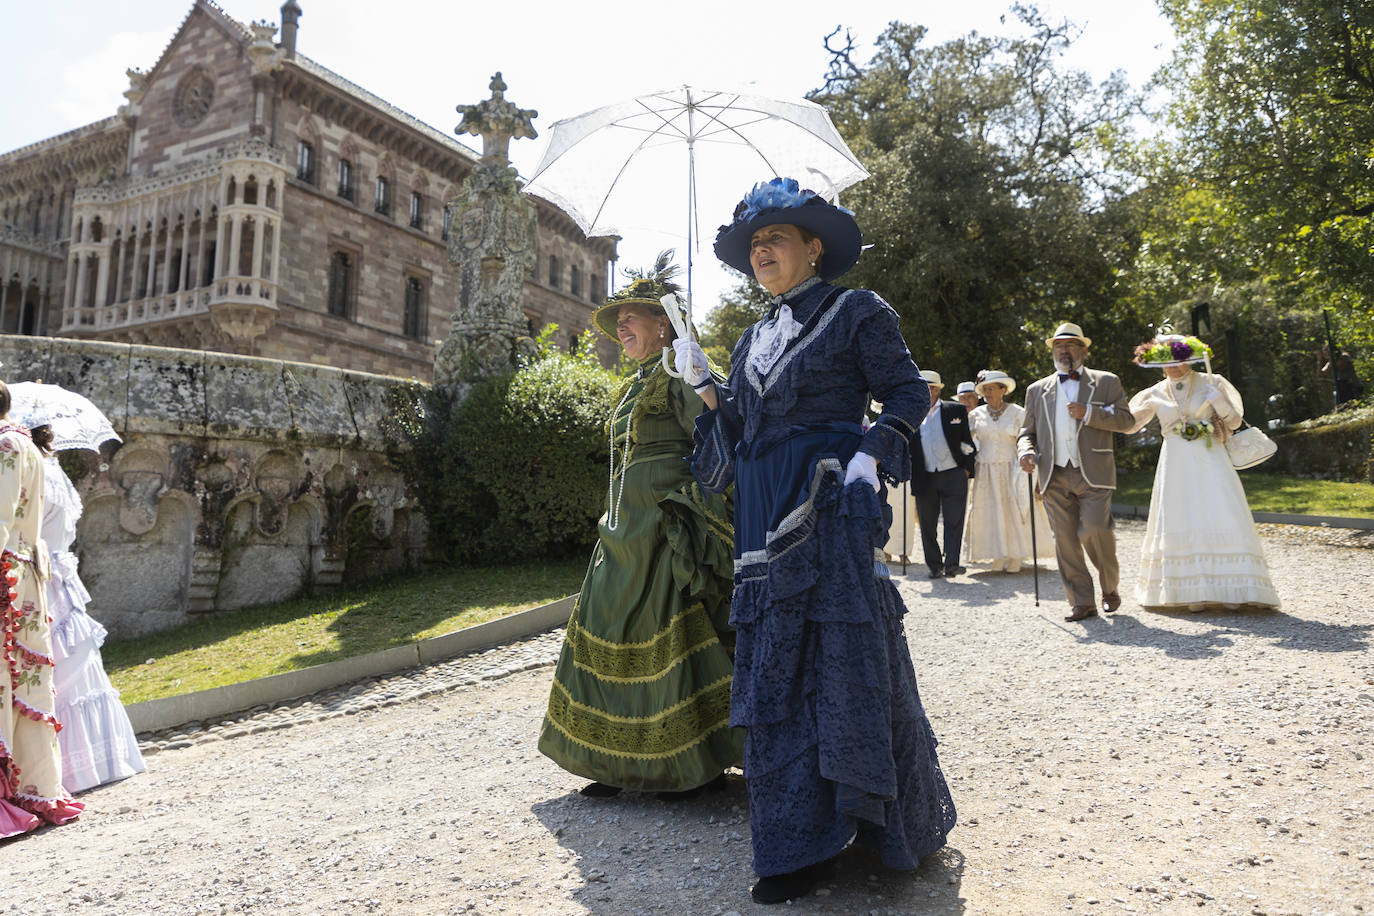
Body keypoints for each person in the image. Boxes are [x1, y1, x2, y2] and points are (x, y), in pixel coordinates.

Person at [675, 177, 956, 904]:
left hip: (827, 499)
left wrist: (869, 456)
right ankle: (799, 844)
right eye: (753, 245)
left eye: (776, 240)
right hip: (762, 515)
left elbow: (904, 392)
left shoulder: (855, 310)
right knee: (778, 668)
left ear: (813, 247)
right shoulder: (750, 339)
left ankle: (874, 825)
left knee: (841, 651)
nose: (762, 252)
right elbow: (734, 446)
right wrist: (709, 390)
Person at [537, 265, 742, 802]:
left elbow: (717, 430)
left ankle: (686, 762)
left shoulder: (681, 368)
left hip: (664, 522)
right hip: (624, 521)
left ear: (664, 324)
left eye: (632, 319)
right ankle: (613, 759)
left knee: (665, 624)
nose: (622, 327)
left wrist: (705, 382)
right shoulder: (637, 378)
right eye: (619, 321)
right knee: (607, 619)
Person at [24, 414, 146, 792]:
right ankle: (103, 757)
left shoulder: (29, 468)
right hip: (60, 568)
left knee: (56, 665)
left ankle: (70, 768)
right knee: (74, 661)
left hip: (42, 571)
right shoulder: (52, 465)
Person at [1126, 334, 1280, 610]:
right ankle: (1191, 591)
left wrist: (1219, 402)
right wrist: (1102, 412)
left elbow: (1233, 422)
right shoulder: (1155, 392)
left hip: (1210, 458)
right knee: (1180, 515)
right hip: (1175, 462)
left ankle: (1235, 589)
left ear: (1190, 357)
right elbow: (1128, 427)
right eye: (1166, 362)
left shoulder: (1213, 381)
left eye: (1178, 360)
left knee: (1220, 510)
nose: (1172, 366)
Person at [0, 382, 83, 837]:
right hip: (24, 575)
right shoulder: (26, 443)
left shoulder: (6, 445)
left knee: (11, 679)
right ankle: (31, 785)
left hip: (6, 577)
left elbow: (0, 515)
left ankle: (15, 791)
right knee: (24, 682)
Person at [1017, 323, 1136, 622]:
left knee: (1095, 529)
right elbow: (1026, 432)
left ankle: (1110, 588)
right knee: (1066, 541)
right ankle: (1082, 602)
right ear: (1053, 351)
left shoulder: (1106, 382)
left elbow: (1125, 420)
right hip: (1053, 474)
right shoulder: (1036, 390)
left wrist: (1090, 414)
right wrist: (1025, 451)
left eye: (1070, 345)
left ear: (1083, 350)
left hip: (1093, 471)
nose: (1064, 350)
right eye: (1059, 346)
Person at [961, 371, 1052, 573]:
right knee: (991, 511)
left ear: (1003, 390)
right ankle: (998, 553)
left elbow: (1029, 439)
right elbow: (965, 442)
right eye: (985, 390)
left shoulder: (1018, 412)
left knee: (1014, 510)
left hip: (1012, 469)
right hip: (985, 470)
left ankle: (1017, 554)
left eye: (991, 389)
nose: (987, 393)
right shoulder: (976, 415)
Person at [911, 370, 977, 579]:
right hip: (924, 475)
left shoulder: (955, 410)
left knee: (954, 520)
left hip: (953, 473)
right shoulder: (912, 413)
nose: (928, 392)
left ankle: (952, 564)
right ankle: (934, 565)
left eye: (932, 388)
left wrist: (966, 469)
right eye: (925, 387)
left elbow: (967, 442)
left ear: (939, 390)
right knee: (927, 524)